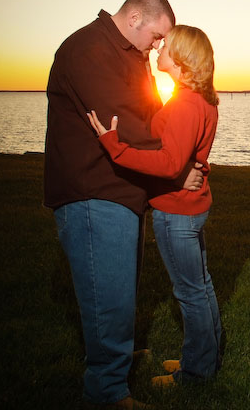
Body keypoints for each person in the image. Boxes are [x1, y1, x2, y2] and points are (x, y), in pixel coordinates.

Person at [44, 0, 204, 409]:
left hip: (121, 191)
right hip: (92, 190)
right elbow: (125, 121)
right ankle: (107, 392)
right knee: (106, 288)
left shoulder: (130, 54)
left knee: (116, 288)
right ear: (135, 17)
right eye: (157, 35)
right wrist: (175, 164)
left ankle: (116, 352)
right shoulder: (88, 49)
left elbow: (149, 110)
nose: (158, 46)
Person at [87, 24, 222, 388]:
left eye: (166, 46)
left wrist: (115, 146)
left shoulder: (185, 105)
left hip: (176, 211)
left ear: (180, 60)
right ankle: (204, 360)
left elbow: (168, 164)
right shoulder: (199, 100)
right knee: (202, 287)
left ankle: (194, 374)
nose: (159, 47)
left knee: (191, 292)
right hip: (191, 206)